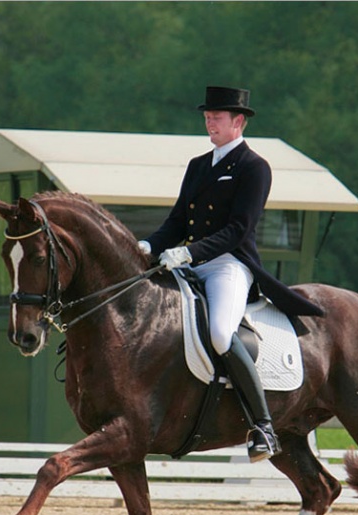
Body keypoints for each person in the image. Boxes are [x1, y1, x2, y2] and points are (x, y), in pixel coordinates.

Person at [138, 86, 322, 462]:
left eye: (217, 117)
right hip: (188, 262)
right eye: (207, 117)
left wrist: (191, 251)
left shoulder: (254, 167)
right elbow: (176, 221)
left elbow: (239, 228)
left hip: (229, 264)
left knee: (221, 332)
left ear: (238, 122)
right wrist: (147, 246)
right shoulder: (197, 165)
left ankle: (263, 426)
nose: (210, 123)